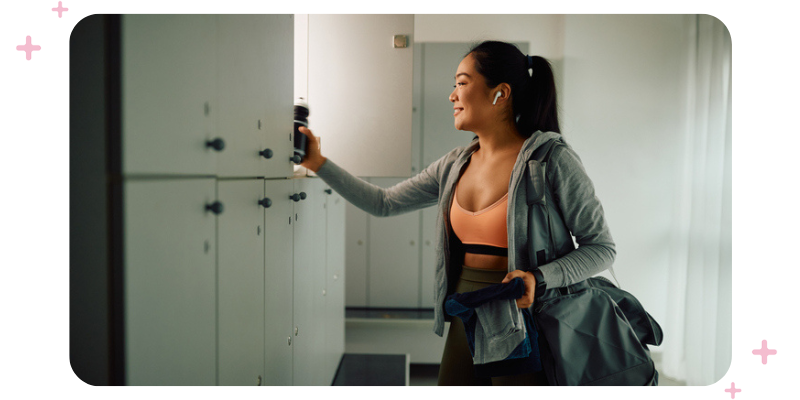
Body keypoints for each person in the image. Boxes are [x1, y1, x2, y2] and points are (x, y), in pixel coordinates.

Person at [298, 40, 615, 386]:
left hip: (527, 317)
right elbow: (384, 203)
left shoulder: (552, 160)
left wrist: (539, 278)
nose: (452, 95)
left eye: (462, 83)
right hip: (467, 311)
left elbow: (601, 247)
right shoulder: (454, 164)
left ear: (500, 93)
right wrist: (318, 163)